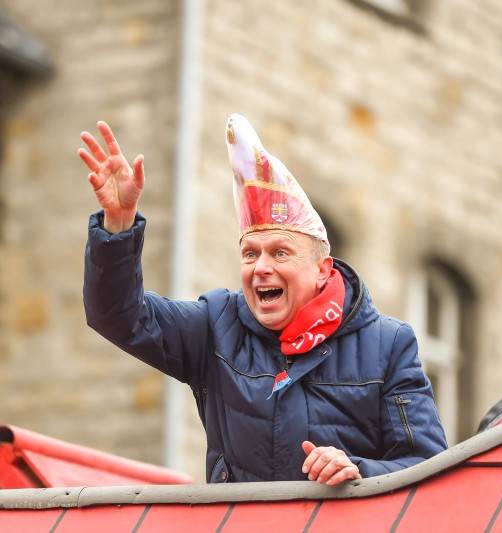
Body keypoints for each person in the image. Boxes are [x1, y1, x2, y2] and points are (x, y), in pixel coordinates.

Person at [79, 114, 447, 486]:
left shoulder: (389, 345)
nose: (261, 268)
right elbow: (116, 315)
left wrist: (359, 471)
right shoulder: (216, 325)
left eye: (280, 253)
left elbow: (428, 467)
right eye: (250, 254)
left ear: (322, 269)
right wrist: (118, 224)